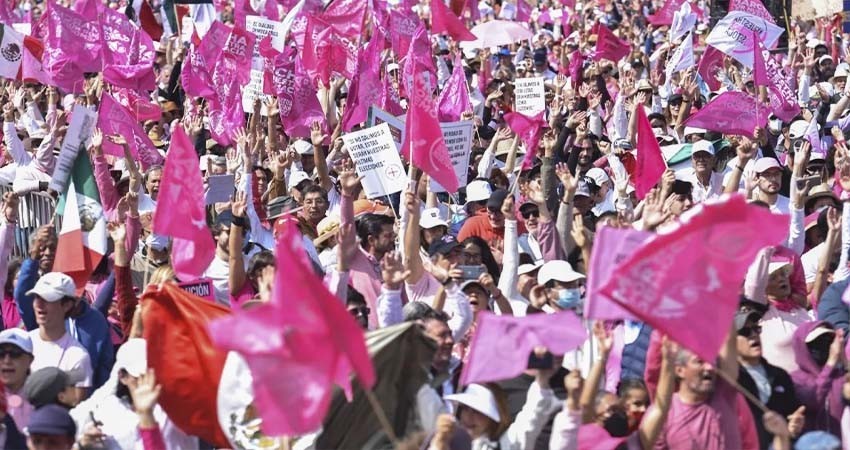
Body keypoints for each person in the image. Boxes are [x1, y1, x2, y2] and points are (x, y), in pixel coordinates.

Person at [735, 310, 804, 448]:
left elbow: (792, 414)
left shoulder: (780, 375)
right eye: (745, 332)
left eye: (756, 329)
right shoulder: (732, 379)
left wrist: (794, 426)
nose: (754, 335)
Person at [21, 273, 93, 402]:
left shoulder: (77, 357)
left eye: (48, 299)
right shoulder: (20, 345)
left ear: (67, 305)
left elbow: (75, 407)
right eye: (37, 297)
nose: (39, 304)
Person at [0, 328, 34, 430]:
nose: (7, 360)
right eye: (1, 353)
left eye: (15, 354)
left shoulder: (41, 399)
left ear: (30, 360)